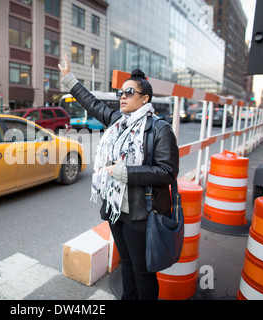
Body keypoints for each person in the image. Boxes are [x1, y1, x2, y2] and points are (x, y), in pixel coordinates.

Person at [58, 54, 179, 300]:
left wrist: (126, 173)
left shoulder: (159, 129)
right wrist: (69, 79)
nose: (122, 96)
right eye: (121, 93)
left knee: (143, 271)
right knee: (127, 264)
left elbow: (168, 172)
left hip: (142, 212)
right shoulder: (118, 122)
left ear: (145, 98)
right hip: (116, 209)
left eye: (129, 92)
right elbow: (93, 104)